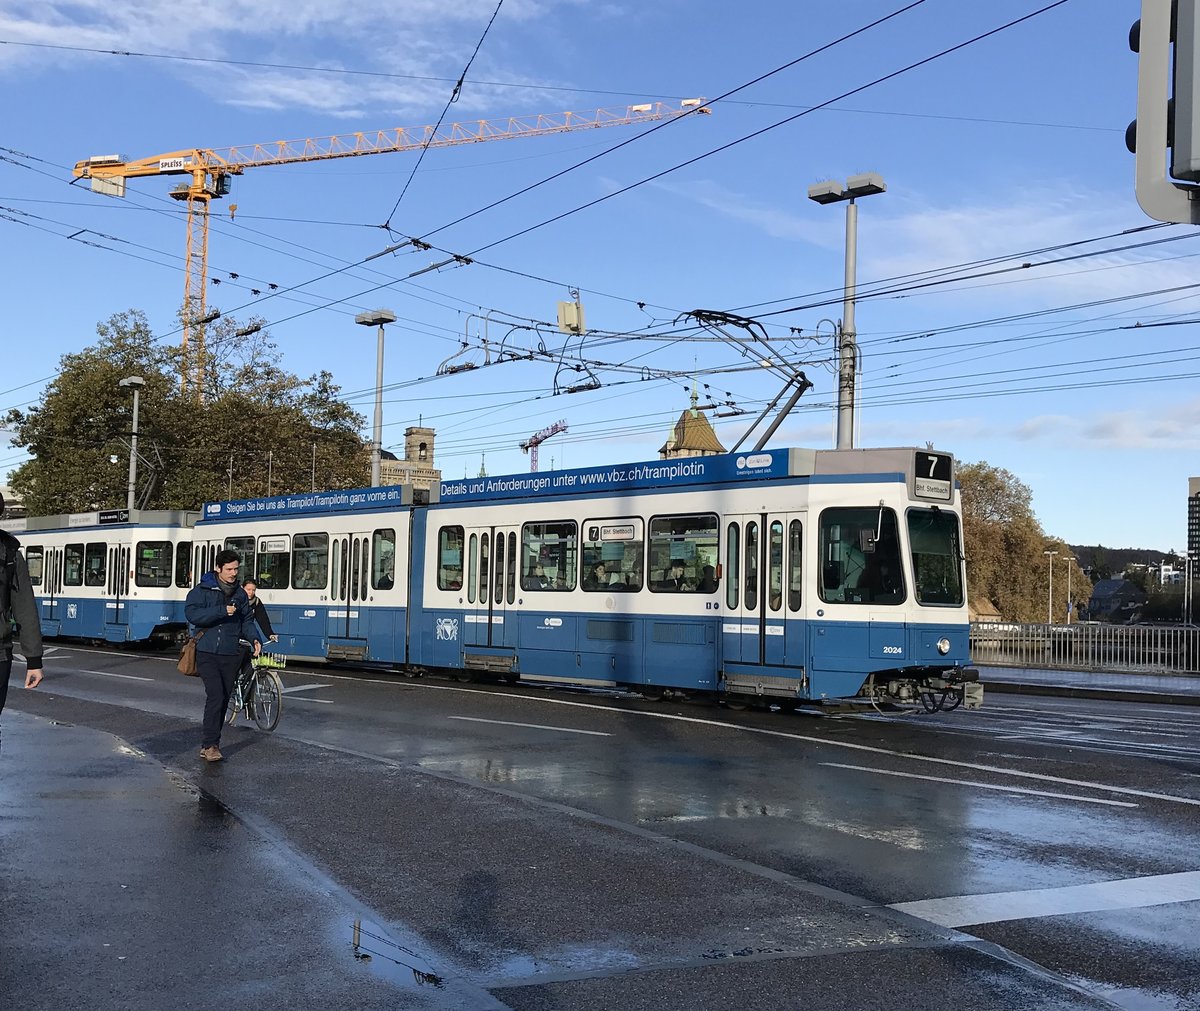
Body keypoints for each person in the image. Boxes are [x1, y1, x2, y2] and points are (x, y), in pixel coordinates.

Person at [185, 550, 261, 763]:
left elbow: (247, 620)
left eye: (236, 569)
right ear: (218, 569)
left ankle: (208, 743)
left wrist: (255, 639)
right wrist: (221, 611)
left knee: (224, 698)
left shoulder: (240, 594)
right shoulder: (202, 590)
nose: (233, 573)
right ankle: (211, 745)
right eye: (229, 569)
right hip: (206, 651)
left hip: (230, 652)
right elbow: (192, 614)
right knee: (216, 696)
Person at [0, 492, 44, 751]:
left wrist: (34, 660)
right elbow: (25, 607)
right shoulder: (9, 552)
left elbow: (24, 606)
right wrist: (34, 661)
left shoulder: (9, 553)